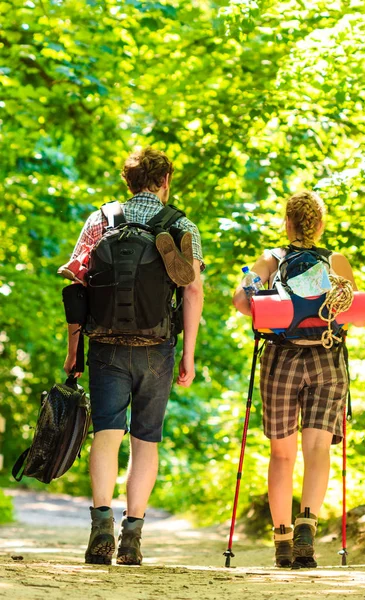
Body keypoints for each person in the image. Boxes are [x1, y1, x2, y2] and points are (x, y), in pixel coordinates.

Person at [60, 147, 204, 566]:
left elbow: (76, 284)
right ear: (165, 181)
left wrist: (74, 350)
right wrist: (188, 354)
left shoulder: (101, 219)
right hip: (157, 346)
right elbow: (192, 290)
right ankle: (133, 537)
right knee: (146, 440)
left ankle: (100, 526)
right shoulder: (182, 224)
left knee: (107, 434)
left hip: (105, 343)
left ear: (128, 181)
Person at [233, 190, 359, 569]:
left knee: (282, 454)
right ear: (319, 225)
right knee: (318, 449)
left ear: (287, 222)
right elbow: (352, 311)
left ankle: (283, 540)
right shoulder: (336, 261)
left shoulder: (272, 259)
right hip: (328, 359)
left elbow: (241, 301)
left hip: (282, 360)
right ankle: (307, 526)